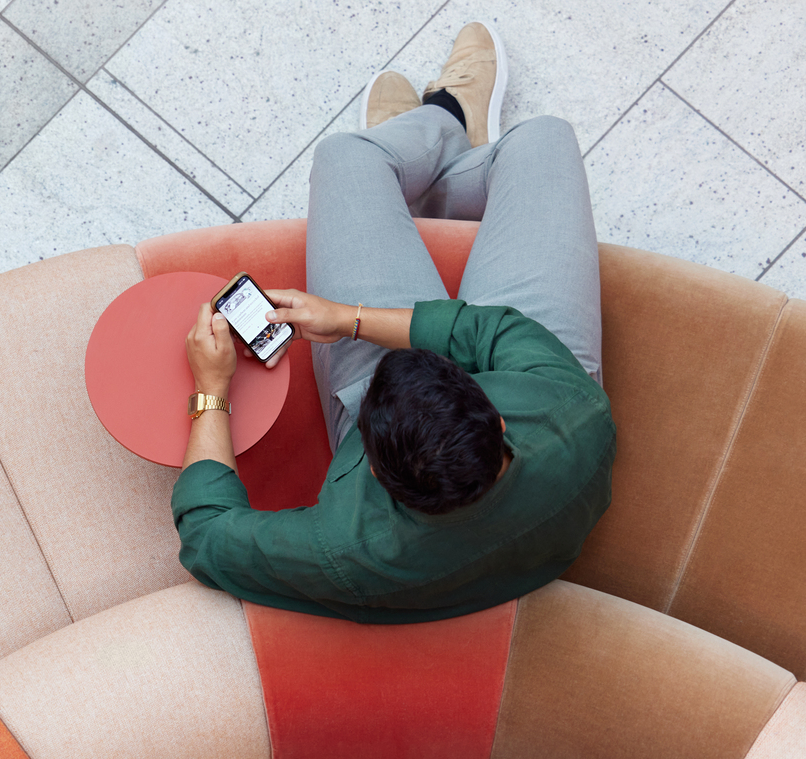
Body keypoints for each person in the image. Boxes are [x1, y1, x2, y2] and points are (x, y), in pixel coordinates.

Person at [169, 23, 616, 623]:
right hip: (544, 390)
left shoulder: (348, 551)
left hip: (437, 474)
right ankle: (448, 131)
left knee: (347, 155)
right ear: (497, 414)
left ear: (376, 468)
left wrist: (210, 391)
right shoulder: (573, 412)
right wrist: (348, 319)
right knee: (544, 139)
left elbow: (206, 535)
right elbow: (484, 333)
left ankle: (437, 123)